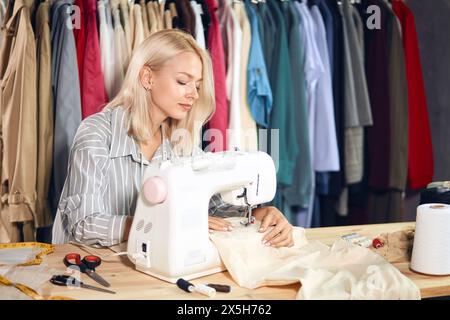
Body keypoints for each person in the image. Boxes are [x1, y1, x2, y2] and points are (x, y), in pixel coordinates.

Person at [52, 29, 293, 248]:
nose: (194, 94)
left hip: (146, 272)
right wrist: (166, 223)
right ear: (147, 78)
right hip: (87, 273)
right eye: (182, 81)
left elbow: (212, 208)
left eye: (197, 85)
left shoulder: (180, 143)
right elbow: (83, 224)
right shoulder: (96, 133)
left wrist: (256, 216)